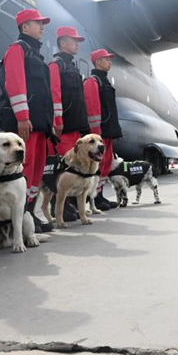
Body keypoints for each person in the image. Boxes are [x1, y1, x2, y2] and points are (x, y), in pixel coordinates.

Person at [2, 9, 55, 233]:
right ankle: (18, 219)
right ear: (25, 27)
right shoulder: (17, 50)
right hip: (27, 125)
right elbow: (15, 84)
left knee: (36, 171)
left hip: (40, 125)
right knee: (25, 169)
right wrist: (22, 117)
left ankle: (29, 215)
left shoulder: (36, 55)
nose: (42, 27)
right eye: (37, 23)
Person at [48, 26, 90, 221]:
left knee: (75, 167)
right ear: (63, 42)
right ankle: (60, 208)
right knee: (64, 168)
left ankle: (71, 205)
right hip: (63, 127)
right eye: (74, 41)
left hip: (76, 125)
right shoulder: (56, 66)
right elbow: (55, 93)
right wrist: (58, 120)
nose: (77, 45)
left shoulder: (73, 67)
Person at [84, 49, 121, 210]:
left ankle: (99, 195)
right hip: (100, 132)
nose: (109, 62)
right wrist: (96, 133)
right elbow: (92, 108)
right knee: (98, 165)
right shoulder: (93, 81)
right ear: (97, 62)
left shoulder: (105, 81)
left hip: (108, 130)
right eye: (106, 59)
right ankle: (93, 198)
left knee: (106, 164)